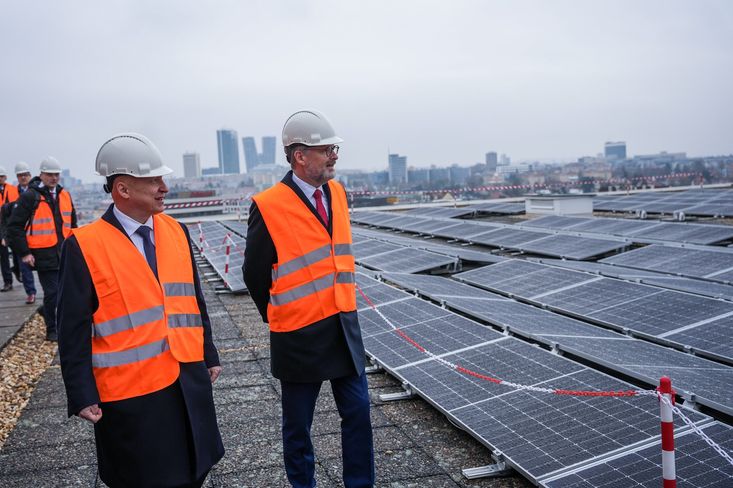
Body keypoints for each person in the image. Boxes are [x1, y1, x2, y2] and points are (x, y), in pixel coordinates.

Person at [57, 133, 224, 488]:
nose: (164, 187)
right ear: (123, 189)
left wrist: (208, 352)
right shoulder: (84, 246)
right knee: (145, 476)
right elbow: (71, 327)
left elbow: (194, 300)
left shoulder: (176, 231)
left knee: (196, 465)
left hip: (188, 376)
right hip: (132, 393)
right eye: (154, 180)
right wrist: (81, 393)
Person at [244, 110, 374, 488]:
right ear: (300, 156)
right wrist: (277, 315)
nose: (334, 155)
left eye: (334, 149)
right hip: (299, 333)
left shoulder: (337, 192)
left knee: (359, 413)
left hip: (343, 325)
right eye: (326, 150)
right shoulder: (268, 205)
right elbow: (253, 274)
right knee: (298, 426)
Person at [6, 157, 77, 340]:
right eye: (50, 174)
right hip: (43, 254)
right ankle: (52, 330)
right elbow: (14, 226)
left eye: (56, 174)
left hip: (64, 252)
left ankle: (49, 313)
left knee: (65, 292)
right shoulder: (30, 196)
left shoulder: (64, 195)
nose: (54, 178)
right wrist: (25, 253)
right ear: (41, 175)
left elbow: (73, 224)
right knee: (52, 292)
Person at [10, 162, 38, 303]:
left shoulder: (37, 191)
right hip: (21, 236)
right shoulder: (14, 193)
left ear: (30, 175)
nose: (23, 177)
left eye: (25, 175)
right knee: (24, 266)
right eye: (20, 175)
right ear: (17, 177)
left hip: (37, 236)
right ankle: (31, 293)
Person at [0, 166, 19, 292]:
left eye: (1, 176)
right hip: (0, 226)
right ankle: (8, 282)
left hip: (12, 224)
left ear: (5, 177)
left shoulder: (13, 190)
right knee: (3, 254)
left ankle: (17, 269)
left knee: (18, 251)